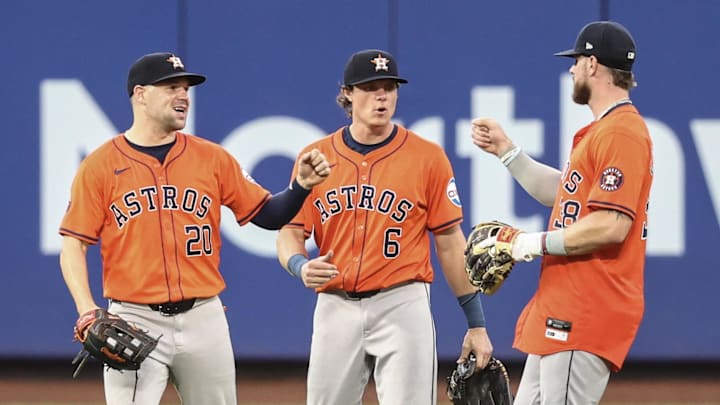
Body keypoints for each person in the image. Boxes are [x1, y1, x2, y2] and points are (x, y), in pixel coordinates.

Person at [58, 52, 330, 405]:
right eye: (171, 87)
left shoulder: (211, 157)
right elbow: (73, 245)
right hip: (135, 316)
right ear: (140, 94)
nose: (183, 95)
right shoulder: (100, 166)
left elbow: (268, 214)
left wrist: (301, 187)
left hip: (205, 317)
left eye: (186, 88)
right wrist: (87, 309)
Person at [276, 48, 493, 405]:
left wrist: (477, 323)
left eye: (389, 87)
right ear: (347, 93)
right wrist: (299, 265)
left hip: (402, 303)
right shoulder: (316, 156)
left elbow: (451, 244)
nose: (382, 96)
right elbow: (290, 230)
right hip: (335, 304)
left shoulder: (427, 158)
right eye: (370, 87)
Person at [471, 21, 653, 404]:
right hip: (565, 302)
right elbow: (564, 195)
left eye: (575, 62)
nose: (570, 70)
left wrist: (530, 243)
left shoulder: (621, 133)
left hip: (586, 307)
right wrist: (508, 152)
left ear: (592, 64)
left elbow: (611, 224)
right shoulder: (602, 131)